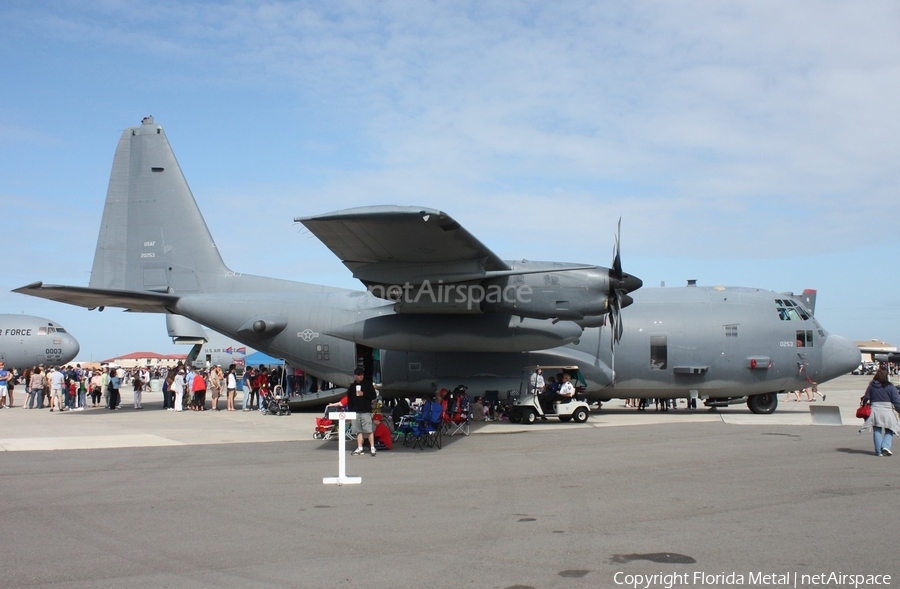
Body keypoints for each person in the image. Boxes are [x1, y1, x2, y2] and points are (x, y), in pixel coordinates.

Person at [860, 367, 900, 457]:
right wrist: (899, 410)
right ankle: (885, 446)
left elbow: (866, 398)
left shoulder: (871, 386)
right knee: (890, 429)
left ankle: (879, 451)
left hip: (874, 410)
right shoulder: (890, 386)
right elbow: (896, 401)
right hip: (887, 411)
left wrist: (864, 405)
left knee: (877, 430)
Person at [347, 368, 377, 456]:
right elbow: (350, 401)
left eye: (362, 375)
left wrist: (364, 394)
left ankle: (372, 447)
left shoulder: (367, 384)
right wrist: (350, 412)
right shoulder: (352, 387)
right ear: (355, 376)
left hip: (365, 410)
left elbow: (373, 395)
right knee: (358, 430)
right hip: (355, 411)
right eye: (359, 375)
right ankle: (360, 447)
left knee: (368, 430)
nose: (361, 376)